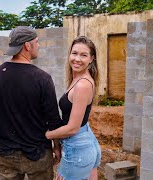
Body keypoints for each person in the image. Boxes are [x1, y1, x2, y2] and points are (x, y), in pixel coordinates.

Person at [0, 26, 63, 180]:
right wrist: (57, 147)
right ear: (27, 45)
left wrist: (5, 137)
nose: (38, 45)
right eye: (36, 42)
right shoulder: (42, 78)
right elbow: (53, 120)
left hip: (7, 156)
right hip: (38, 155)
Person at [45, 36, 101, 180]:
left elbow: (72, 128)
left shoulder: (83, 85)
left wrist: (46, 136)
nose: (77, 59)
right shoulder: (80, 79)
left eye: (84, 55)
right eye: (74, 53)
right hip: (86, 141)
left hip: (78, 147)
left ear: (91, 58)